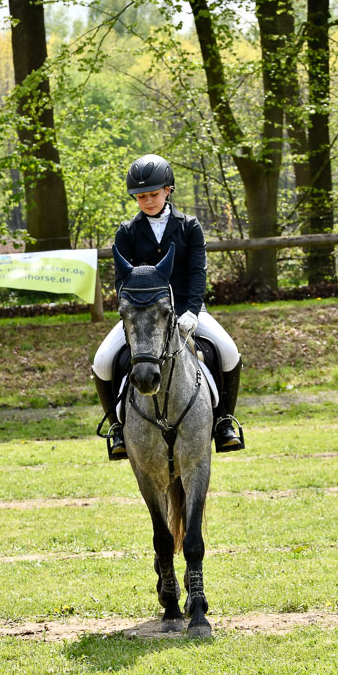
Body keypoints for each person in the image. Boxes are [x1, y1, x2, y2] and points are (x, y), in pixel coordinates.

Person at [92, 153, 243, 458]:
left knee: (228, 351)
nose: (147, 201)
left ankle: (224, 421)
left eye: (153, 194)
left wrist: (191, 310)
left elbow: (197, 272)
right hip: (143, 316)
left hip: (189, 310)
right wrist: (132, 313)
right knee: (103, 360)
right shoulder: (127, 232)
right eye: (141, 196)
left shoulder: (190, 227)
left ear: (168, 191)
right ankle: (118, 429)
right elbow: (122, 280)